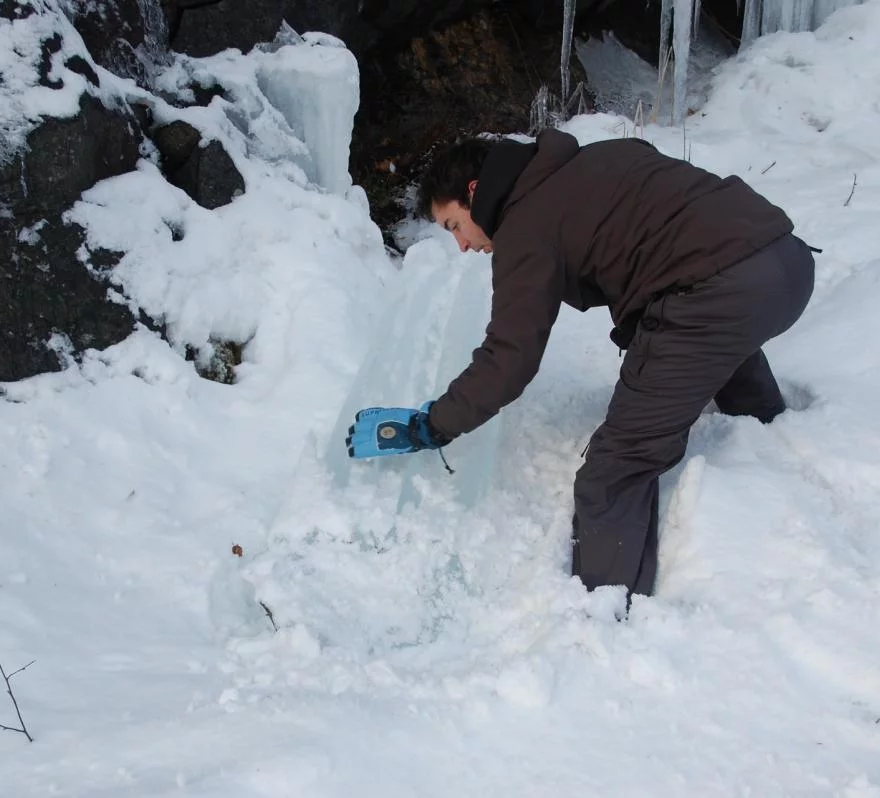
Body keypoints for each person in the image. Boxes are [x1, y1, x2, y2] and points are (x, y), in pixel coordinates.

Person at [345, 128, 815, 600]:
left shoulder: (525, 224)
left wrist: (433, 425)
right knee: (704, 337)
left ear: (474, 192)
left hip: (719, 292)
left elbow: (509, 357)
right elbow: (662, 230)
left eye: (454, 227)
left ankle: (602, 613)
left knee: (613, 468)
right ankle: (766, 427)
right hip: (785, 263)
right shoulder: (599, 156)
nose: (462, 246)